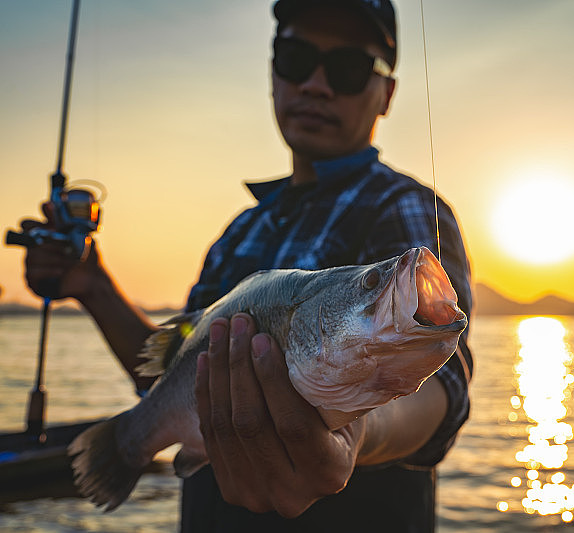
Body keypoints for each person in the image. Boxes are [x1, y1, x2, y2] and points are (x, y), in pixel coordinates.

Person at [21, 0, 473, 531]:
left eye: (348, 68)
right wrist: (93, 287)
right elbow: (173, 375)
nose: (316, 85)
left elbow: (444, 385)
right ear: (273, 72)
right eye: (296, 58)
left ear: (387, 94)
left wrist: (357, 433)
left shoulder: (403, 206)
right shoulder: (240, 230)